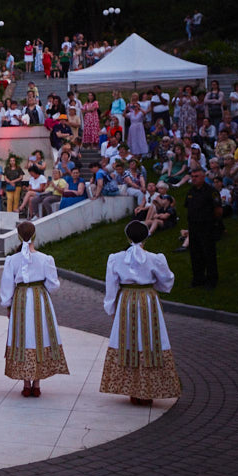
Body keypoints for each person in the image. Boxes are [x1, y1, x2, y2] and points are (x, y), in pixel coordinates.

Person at [99, 221, 182, 406]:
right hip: (147, 300)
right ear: (146, 237)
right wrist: (153, 286)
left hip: (126, 301)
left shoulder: (116, 258)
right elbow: (167, 281)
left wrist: (111, 308)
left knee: (128, 340)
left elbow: (111, 285)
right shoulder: (155, 258)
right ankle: (148, 389)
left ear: (128, 238)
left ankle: (132, 390)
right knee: (150, 340)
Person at [0, 221, 68, 397]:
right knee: (39, 335)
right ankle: (36, 383)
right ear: (34, 236)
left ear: (18, 236)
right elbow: (53, 285)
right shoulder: (45, 259)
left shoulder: (12, 260)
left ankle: (26, 383)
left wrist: (8, 304)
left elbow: (7, 286)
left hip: (21, 298)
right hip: (39, 299)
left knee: (24, 336)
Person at [184, 168, 222, 290]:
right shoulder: (191, 192)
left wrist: (212, 222)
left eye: (196, 176)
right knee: (195, 254)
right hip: (193, 227)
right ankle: (198, 279)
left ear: (203, 177)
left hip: (207, 227)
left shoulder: (211, 191)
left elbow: (218, 210)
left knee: (208, 254)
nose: (194, 178)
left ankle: (211, 280)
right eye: (192, 176)